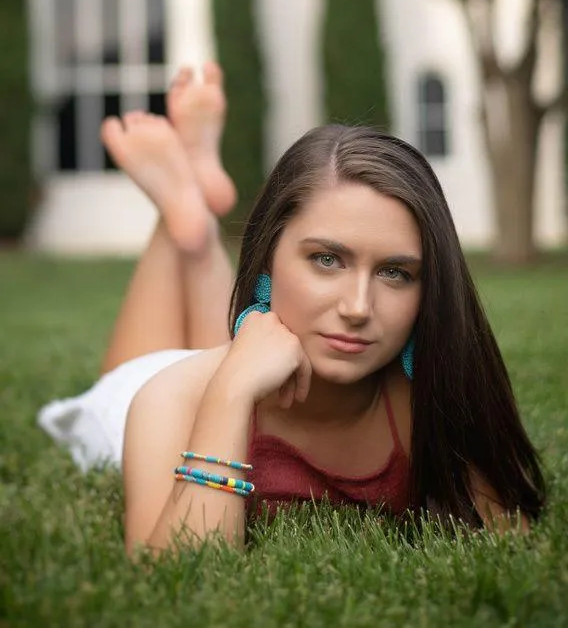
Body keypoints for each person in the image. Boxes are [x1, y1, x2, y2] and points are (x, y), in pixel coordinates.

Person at [38, 62, 545, 554]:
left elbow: (510, 535)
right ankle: (182, 220)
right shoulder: (164, 396)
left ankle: (190, 207)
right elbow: (180, 574)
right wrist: (231, 391)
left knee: (234, 339)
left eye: (395, 272)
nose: (358, 307)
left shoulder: (435, 399)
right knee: (138, 367)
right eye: (327, 260)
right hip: (141, 391)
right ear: (266, 257)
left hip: (237, 350)